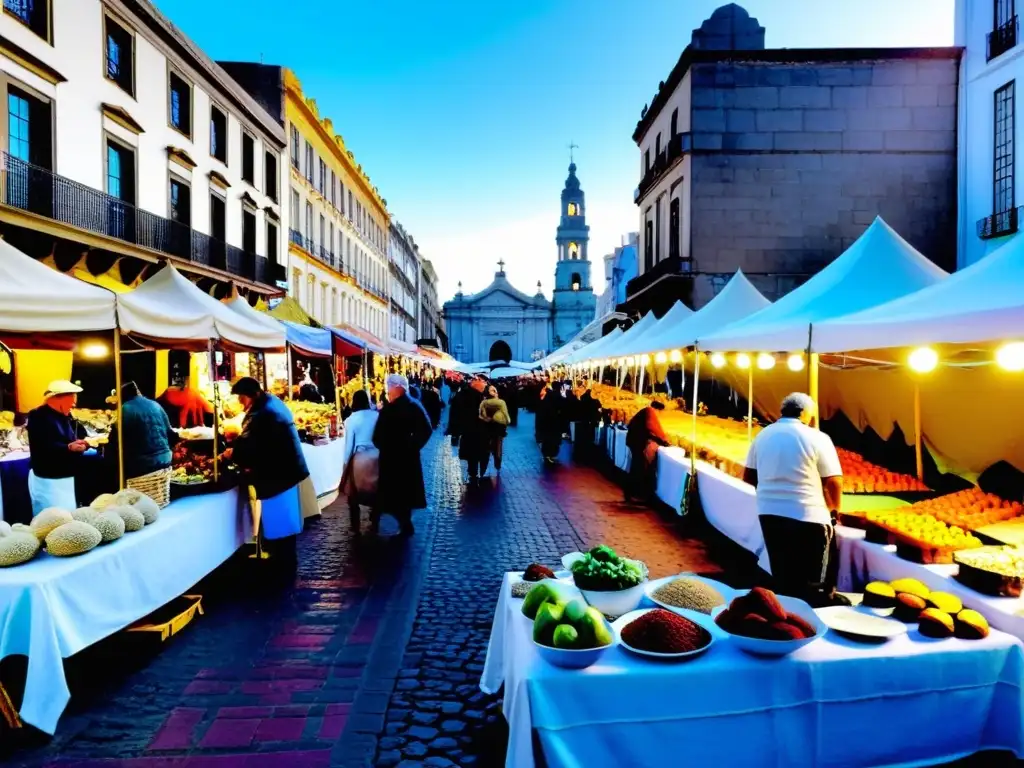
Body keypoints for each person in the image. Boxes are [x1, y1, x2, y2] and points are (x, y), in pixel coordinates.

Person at [742, 393, 848, 608]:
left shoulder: (763, 435)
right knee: (814, 579)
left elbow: (748, 476)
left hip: (769, 513)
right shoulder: (817, 437)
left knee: (784, 571)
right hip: (809, 515)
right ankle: (812, 617)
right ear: (807, 414)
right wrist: (835, 509)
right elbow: (833, 481)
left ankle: (787, 613)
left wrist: (770, 494)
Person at [223, 378, 316, 570]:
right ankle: (284, 559)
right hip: (285, 471)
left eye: (242, 397)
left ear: (253, 395)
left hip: (278, 475)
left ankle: (280, 566)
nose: (240, 401)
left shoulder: (261, 414)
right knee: (285, 525)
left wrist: (230, 453)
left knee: (280, 525)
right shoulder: (271, 402)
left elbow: (247, 446)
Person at [372, 374, 432, 536]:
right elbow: (427, 429)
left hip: (391, 460)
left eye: (389, 388)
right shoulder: (414, 405)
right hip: (407, 459)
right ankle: (403, 522)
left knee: (392, 494)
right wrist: (413, 446)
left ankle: (401, 524)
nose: (387, 391)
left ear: (397, 388)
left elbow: (376, 437)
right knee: (404, 494)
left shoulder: (389, 410)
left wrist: (389, 447)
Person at [107, 381, 179, 508]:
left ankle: (116, 503)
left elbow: (114, 441)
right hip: (166, 460)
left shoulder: (125, 410)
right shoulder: (156, 405)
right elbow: (171, 435)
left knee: (108, 463)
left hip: (141, 466)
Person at [26, 380, 88, 515]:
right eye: (71, 399)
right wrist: (68, 448)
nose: (74, 404)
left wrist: (83, 442)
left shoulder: (65, 416)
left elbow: (74, 436)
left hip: (66, 475)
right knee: (52, 518)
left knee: (68, 515)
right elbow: (43, 446)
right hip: (49, 477)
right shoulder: (38, 416)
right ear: (56, 398)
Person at [340, 389, 379, 534]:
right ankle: (375, 520)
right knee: (376, 491)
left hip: (360, 459)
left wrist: (345, 464)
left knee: (353, 494)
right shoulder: (377, 416)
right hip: (377, 456)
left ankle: (355, 527)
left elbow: (349, 445)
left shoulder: (351, 420)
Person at [625, 400, 670, 503]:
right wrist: (664, 439)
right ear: (658, 409)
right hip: (636, 441)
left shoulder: (645, 411)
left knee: (636, 467)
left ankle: (630, 493)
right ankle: (634, 494)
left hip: (634, 440)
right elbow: (651, 426)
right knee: (638, 467)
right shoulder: (650, 411)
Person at [449, 376, 489, 484]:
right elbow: (456, 413)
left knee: (474, 454)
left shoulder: (474, 394)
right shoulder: (468, 396)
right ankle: (474, 474)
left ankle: (474, 473)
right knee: (475, 453)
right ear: (477, 382)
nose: (485, 385)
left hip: (473, 430)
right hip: (473, 430)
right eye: (484, 382)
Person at [479, 385, 510, 474]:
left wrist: (487, 419)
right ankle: (497, 464)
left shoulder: (484, 402)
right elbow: (506, 415)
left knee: (485, 448)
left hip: (486, 427)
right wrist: (507, 422)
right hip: (498, 428)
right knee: (498, 447)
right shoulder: (501, 402)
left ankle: (483, 468)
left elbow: (481, 415)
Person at [535, 384, 563, 464]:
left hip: (549, 425)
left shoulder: (546, 401)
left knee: (549, 441)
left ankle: (549, 455)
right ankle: (549, 455)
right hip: (550, 425)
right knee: (549, 441)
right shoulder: (545, 401)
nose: (541, 391)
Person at [574, 385, 602, 462]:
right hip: (588, 420)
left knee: (586, 437)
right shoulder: (591, 399)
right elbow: (599, 410)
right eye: (597, 393)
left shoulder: (586, 399)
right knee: (587, 437)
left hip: (587, 421)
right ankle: (586, 454)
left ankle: (584, 454)